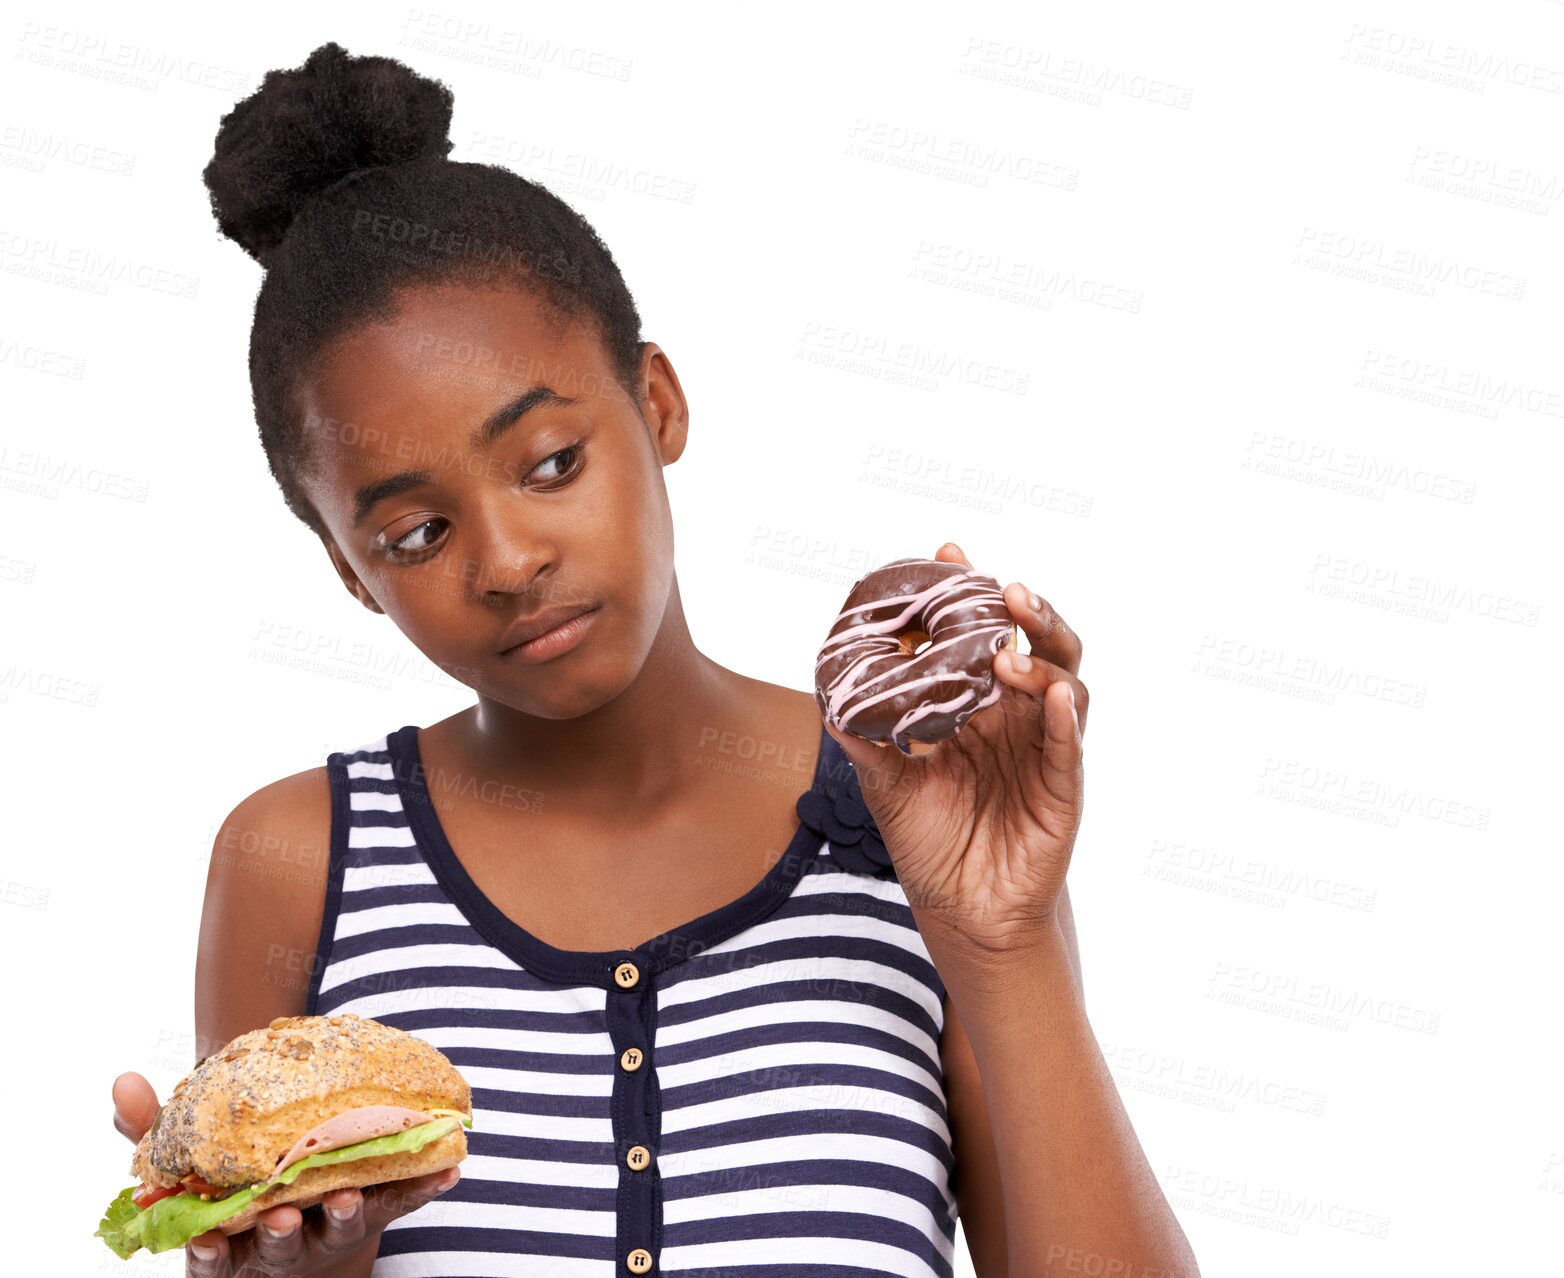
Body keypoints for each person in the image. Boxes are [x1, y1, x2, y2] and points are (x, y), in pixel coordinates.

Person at [110, 41, 1200, 1278]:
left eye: (551, 462)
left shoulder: (914, 814)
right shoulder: (299, 861)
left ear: (657, 404)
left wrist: (1004, 940)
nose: (509, 559)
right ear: (352, 574)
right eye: (416, 532)